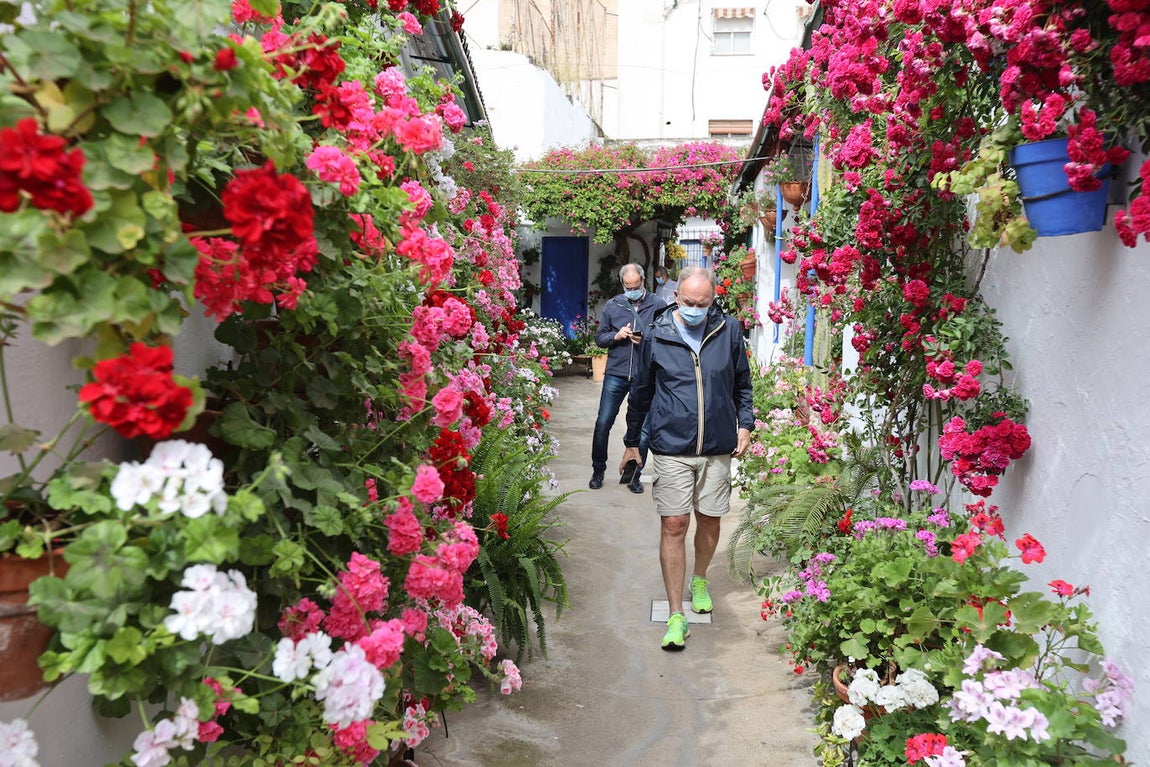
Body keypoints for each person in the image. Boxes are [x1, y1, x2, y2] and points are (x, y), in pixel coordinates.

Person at [619, 266, 753, 651]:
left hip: (717, 446)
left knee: (710, 520)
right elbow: (641, 393)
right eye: (689, 302)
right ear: (676, 296)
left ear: (713, 300)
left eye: (703, 303)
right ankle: (677, 615)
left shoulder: (727, 330)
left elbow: (742, 383)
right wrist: (632, 442)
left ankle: (700, 578)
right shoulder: (658, 334)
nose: (696, 309)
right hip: (671, 446)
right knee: (674, 524)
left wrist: (745, 425)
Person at [589, 263, 666, 493]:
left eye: (636, 285)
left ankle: (634, 475)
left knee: (643, 429)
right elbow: (600, 338)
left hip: (645, 375)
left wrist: (647, 340)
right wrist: (617, 335)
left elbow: (665, 336)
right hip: (617, 373)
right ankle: (598, 469)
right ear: (622, 284)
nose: (632, 289)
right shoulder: (614, 305)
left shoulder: (658, 304)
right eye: (627, 286)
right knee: (603, 422)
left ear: (643, 281)